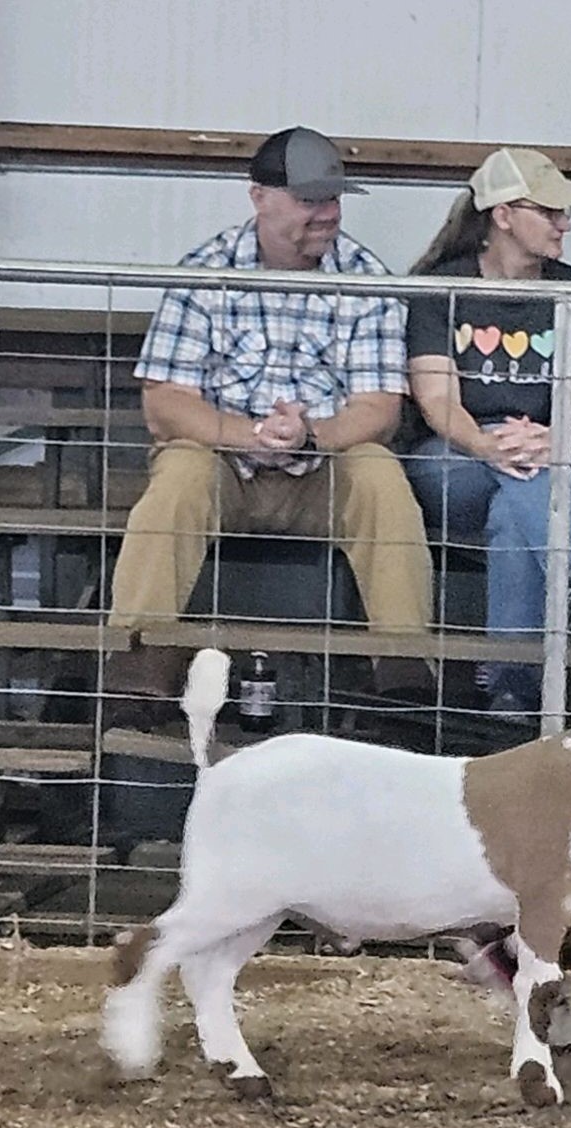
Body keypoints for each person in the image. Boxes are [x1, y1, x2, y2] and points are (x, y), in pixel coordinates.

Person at [105, 126, 433, 724]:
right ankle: (140, 661)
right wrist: (249, 434)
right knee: (178, 471)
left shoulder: (367, 277)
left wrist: (311, 436)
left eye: (333, 200)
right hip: (223, 466)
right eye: (311, 201)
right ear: (259, 197)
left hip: (322, 469)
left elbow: (379, 409)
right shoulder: (205, 270)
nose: (327, 214)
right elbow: (164, 402)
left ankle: (403, 670)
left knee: (379, 472)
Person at [402, 148, 571, 718]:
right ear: (502, 215)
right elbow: (436, 398)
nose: (565, 224)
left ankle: (509, 691)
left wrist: (549, 440)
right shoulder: (441, 287)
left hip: (541, 453)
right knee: (533, 482)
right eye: (550, 211)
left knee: (518, 509)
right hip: (455, 456)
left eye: (565, 212)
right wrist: (489, 444)